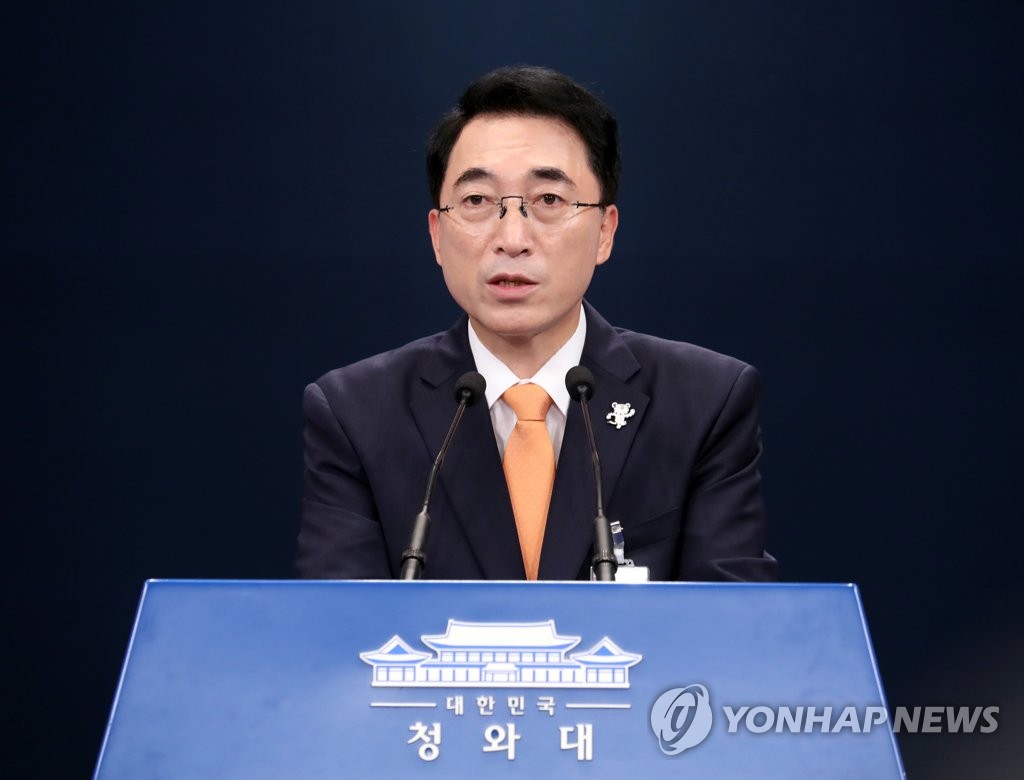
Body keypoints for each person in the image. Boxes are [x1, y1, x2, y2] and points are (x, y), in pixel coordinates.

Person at [297, 66, 777, 582]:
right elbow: (336, 621)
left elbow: (734, 619)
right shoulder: (357, 413)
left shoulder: (703, 402)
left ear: (604, 231)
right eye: (477, 201)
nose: (512, 239)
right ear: (437, 235)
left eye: (548, 200)